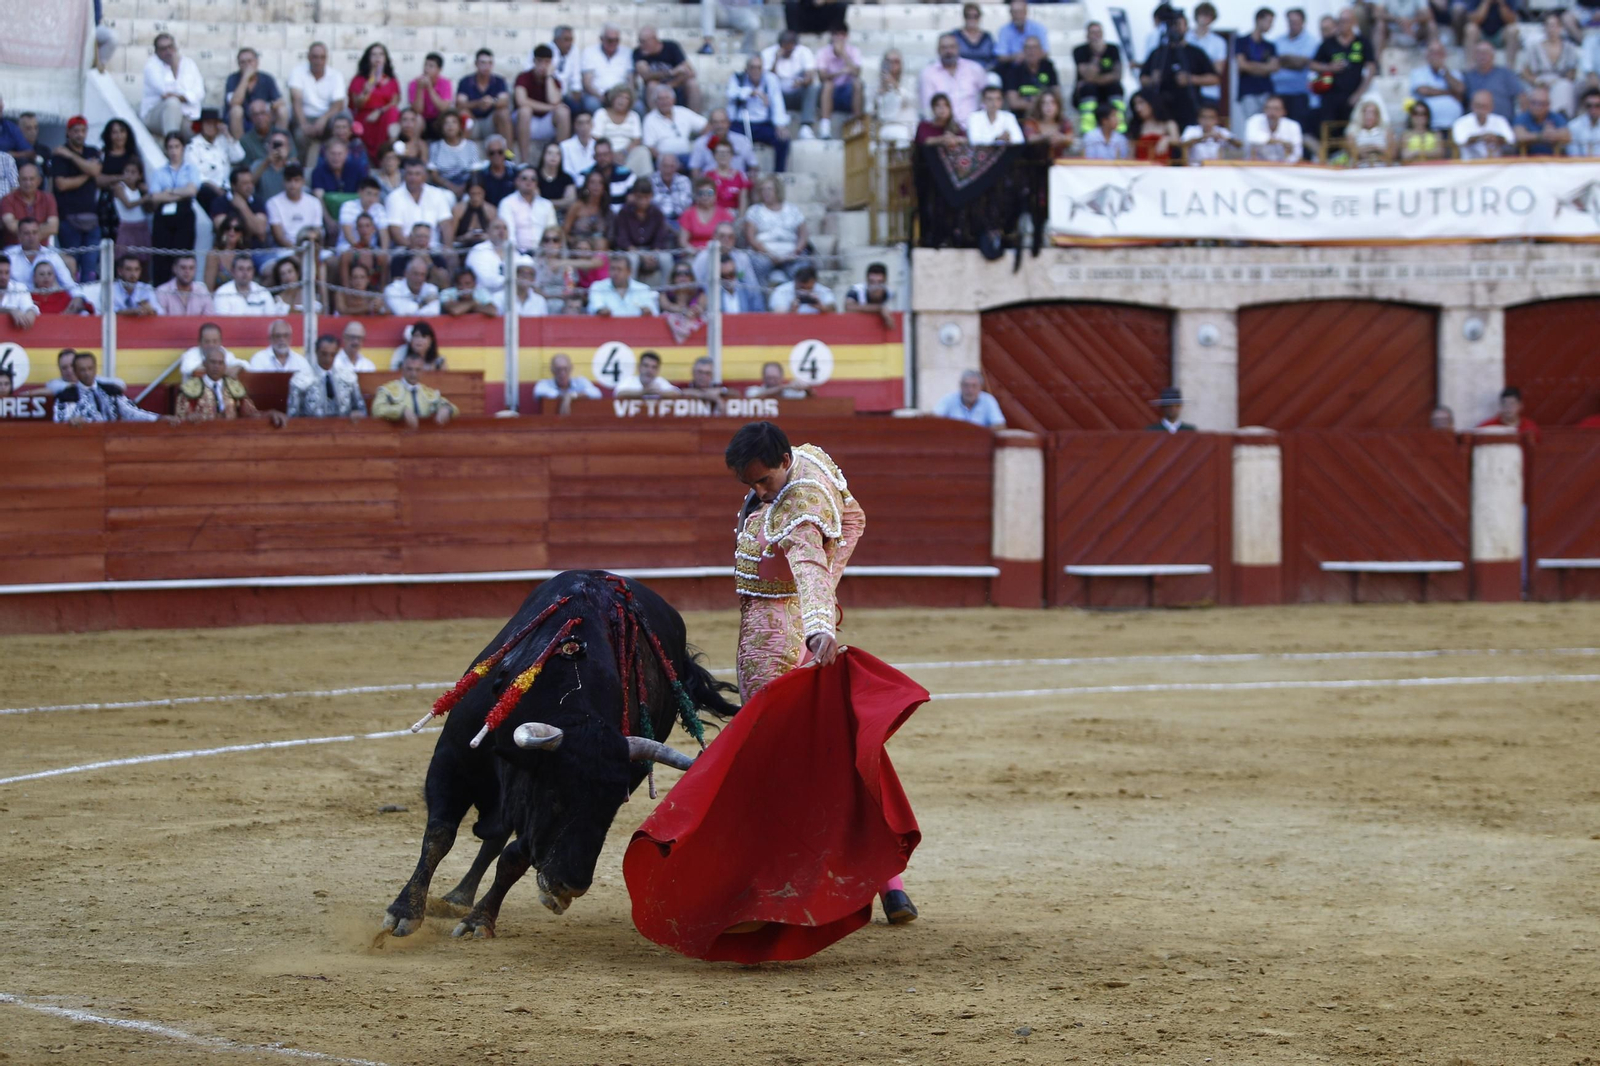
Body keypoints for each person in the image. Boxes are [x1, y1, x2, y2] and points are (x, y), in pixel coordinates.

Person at [722, 420, 918, 925]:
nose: (760, 492)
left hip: (773, 636)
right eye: (751, 484)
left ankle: (783, 890)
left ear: (784, 460)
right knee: (834, 752)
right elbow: (854, 518)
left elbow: (806, 564)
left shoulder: (797, 504)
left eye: (764, 481)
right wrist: (828, 599)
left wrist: (816, 621)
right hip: (804, 631)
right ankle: (889, 886)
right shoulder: (810, 460)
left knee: (773, 766)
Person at [1140, 12, 1218, 131]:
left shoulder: (1196, 52)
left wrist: (1191, 79)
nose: (1175, 28)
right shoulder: (1158, 53)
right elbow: (1143, 78)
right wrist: (1152, 80)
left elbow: (1214, 78)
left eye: (1179, 24)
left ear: (1186, 27)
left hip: (1189, 106)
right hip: (1163, 108)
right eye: (1173, 25)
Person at [47, 116, 103, 280]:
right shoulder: (59, 155)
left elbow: (96, 171)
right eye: (76, 131)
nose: (79, 134)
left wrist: (71, 157)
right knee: (71, 266)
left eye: (83, 131)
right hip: (68, 219)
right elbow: (62, 185)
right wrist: (88, 172)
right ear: (68, 132)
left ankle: (88, 303)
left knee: (90, 266)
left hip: (91, 218)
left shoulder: (91, 151)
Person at [54, 350, 170, 425]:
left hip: (111, 440)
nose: (87, 373)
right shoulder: (67, 396)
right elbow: (60, 422)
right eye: (82, 370)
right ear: (75, 371)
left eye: (90, 368)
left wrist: (157, 418)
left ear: (95, 368)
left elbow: (131, 412)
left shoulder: (110, 391)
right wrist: (70, 422)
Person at [176, 347, 283, 423]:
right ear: (204, 364)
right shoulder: (190, 388)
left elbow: (251, 414)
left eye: (220, 363)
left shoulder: (234, 387)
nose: (216, 366)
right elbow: (180, 418)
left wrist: (270, 413)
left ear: (225, 365)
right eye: (212, 362)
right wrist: (189, 418)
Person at [148, 132, 200, 287]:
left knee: (183, 255)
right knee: (162, 257)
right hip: (163, 216)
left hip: (184, 215)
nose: (173, 151)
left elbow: (192, 191)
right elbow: (155, 197)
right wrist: (180, 192)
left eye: (176, 146)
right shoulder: (159, 172)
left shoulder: (191, 169)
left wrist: (169, 192)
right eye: (170, 147)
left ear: (183, 148)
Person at [727, 54, 792, 172]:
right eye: (752, 67)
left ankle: (778, 173)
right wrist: (751, 92)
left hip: (763, 124)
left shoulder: (770, 79)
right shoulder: (737, 78)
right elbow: (731, 93)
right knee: (730, 141)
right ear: (746, 69)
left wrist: (780, 124)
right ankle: (737, 174)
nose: (755, 71)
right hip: (741, 123)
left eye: (758, 67)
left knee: (783, 140)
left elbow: (777, 102)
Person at [288, 42, 348, 162]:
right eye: (315, 57)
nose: (318, 61)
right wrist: (304, 124)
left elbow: (338, 104)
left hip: (327, 117)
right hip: (305, 116)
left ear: (326, 58)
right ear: (309, 57)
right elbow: (296, 100)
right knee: (300, 135)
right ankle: (300, 169)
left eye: (322, 57)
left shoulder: (336, 75)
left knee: (340, 127)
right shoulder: (297, 72)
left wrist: (323, 119)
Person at [744, 177, 808, 286]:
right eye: (763, 190)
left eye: (769, 189)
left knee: (802, 269)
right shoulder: (754, 211)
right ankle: (759, 300)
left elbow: (803, 234)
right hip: (763, 253)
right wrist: (769, 254)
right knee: (757, 267)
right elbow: (751, 238)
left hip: (790, 253)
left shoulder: (793, 210)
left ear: (777, 190)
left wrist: (796, 251)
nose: (766, 193)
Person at [141, 33, 206, 138]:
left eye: (170, 47)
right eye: (163, 49)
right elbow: (165, 91)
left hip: (187, 115)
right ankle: (172, 143)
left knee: (200, 131)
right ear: (156, 52)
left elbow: (200, 92)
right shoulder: (151, 66)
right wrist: (174, 67)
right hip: (155, 116)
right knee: (172, 103)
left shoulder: (188, 63)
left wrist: (181, 97)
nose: (168, 51)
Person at [288, 333, 366, 420]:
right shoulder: (300, 379)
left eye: (332, 354)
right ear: (316, 352)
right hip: (311, 430)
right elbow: (292, 417)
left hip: (343, 430)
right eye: (324, 354)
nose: (328, 359)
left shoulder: (348, 377)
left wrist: (357, 414)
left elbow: (361, 409)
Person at [514, 45, 571, 164]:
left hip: (546, 122)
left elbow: (554, 101)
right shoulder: (523, 77)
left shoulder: (555, 81)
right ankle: (524, 161)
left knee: (563, 112)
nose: (543, 65)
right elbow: (521, 101)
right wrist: (550, 108)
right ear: (534, 61)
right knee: (525, 111)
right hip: (527, 122)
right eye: (540, 61)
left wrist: (549, 77)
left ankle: (561, 161)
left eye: (547, 62)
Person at [612, 177, 675, 283]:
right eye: (639, 197)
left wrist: (653, 254)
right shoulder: (624, 212)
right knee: (633, 259)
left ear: (651, 196)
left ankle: (666, 293)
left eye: (646, 197)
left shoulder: (657, 213)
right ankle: (631, 292)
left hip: (651, 251)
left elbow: (660, 239)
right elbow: (622, 239)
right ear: (634, 196)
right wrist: (641, 255)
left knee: (666, 258)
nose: (643, 201)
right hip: (631, 251)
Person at [385, 156, 456, 249]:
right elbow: (395, 231)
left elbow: (446, 224)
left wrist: (448, 248)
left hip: (434, 248)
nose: (413, 178)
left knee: (451, 257)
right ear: (404, 175)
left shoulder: (437, 194)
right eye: (410, 174)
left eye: (417, 174)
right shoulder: (394, 197)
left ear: (424, 176)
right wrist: (416, 250)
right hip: (406, 250)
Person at [762, 30, 821, 139]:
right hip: (778, 96)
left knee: (813, 86)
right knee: (768, 84)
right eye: (785, 47)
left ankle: (806, 126)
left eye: (790, 48)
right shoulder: (768, 53)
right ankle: (772, 125)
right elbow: (766, 81)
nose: (787, 51)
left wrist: (802, 81)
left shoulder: (804, 52)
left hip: (797, 93)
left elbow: (810, 75)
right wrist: (776, 60)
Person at [375, 350, 458, 426]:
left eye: (417, 370)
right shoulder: (388, 390)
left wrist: (447, 409)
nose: (413, 374)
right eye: (409, 369)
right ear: (402, 369)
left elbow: (454, 407)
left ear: (422, 371)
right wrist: (401, 411)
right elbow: (377, 409)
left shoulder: (428, 393)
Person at [1522, 14, 1581, 119]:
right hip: (1539, 81)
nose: (1551, 29)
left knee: (1565, 86)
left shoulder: (1569, 48)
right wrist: (1537, 82)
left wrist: (1557, 82)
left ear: (1560, 28)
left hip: (1560, 81)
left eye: (1554, 26)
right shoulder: (1535, 47)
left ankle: (1556, 118)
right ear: (1544, 28)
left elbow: (1572, 72)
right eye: (1548, 26)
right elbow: (1525, 72)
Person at [1272, 7, 1320, 134]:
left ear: (1303, 22)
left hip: (1299, 94)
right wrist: (1293, 61)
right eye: (1290, 22)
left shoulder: (1311, 41)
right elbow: (1273, 63)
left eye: (1296, 22)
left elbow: (1303, 63)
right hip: (1279, 93)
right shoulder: (1278, 40)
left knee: (1300, 130)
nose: (1292, 25)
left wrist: (1284, 60)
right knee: (1279, 130)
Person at [919, 34, 987, 123]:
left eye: (952, 47)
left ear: (958, 48)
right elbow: (928, 107)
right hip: (943, 127)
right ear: (938, 50)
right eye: (944, 48)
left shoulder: (974, 69)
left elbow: (988, 97)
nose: (948, 51)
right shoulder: (928, 73)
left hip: (973, 126)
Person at [226, 46, 288, 136]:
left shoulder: (267, 78)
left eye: (250, 61)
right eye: (242, 62)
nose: (247, 65)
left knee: (283, 111)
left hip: (263, 117)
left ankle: (278, 143)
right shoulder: (232, 79)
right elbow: (234, 102)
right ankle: (240, 147)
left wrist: (266, 107)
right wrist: (245, 78)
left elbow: (280, 101)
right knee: (236, 110)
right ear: (238, 65)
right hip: (243, 120)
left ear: (256, 62)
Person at [634, 25, 698, 111]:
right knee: (652, 85)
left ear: (654, 39)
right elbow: (645, 75)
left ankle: (694, 117)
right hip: (655, 88)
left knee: (692, 84)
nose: (641, 45)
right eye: (640, 41)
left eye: (643, 41)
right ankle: (655, 119)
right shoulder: (638, 52)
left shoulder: (671, 47)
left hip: (676, 85)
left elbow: (690, 72)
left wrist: (670, 85)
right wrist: (671, 72)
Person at [456, 48, 512, 145]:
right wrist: (478, 103)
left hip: (491, 122)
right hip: (473, 122)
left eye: (489, 63)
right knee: (464, 114)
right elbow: (460, 104)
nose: (486, 66)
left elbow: (505, 101)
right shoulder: (465, 81)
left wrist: (492, 102)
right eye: (483, 63)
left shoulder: (499, 81)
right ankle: (461, 154)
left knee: (504, 113)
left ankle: (509, 156)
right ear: (476, 64)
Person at [815, 26, 862, 139]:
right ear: (832, 35)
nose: (839, 37)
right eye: (836, 33)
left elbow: (857, 73)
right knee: (828, 85)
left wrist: (843, 55)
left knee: (857, 84)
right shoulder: (823, 52)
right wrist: (840, 72)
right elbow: (822, 77)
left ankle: (856, 124)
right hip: (830, 93)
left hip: (847, 93)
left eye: (842, 34)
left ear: (846, 36)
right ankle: (825, 127)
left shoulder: (854, 51)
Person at [1072, 22, 1125, 124]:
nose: (1096, 36)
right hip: (1088, 91)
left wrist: (1095, 80)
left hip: (1108, 90)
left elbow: (1118, 75)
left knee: (1116, 87)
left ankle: (1118, 125)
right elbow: (1087, 75)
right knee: (1088, 88)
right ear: (1087, 35)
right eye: (1093, 33)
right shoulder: (1079, 51)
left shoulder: (1113, 49)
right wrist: (1097, 55)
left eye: (1098, 32)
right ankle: (1088, 127)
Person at [1234, 9, 1279, 126]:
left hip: (1266, 90)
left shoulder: (1270, 46)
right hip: (1248, 90)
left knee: (1267, 124)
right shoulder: (1241, 42)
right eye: (1269, 21)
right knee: (1251, 124)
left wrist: (1252, 65)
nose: (1271, 25)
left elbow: (1274, 67)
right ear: (1259, 19)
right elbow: (1242, 65)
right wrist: (1264, 67)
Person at [643, 85, 708, 164]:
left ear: (673, 100)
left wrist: (701, 141)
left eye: (667, 98)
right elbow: (650, 147)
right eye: (660, 99)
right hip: (664, 160)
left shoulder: (683, 112)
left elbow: (706, 126)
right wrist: (666, 161)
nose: (664, 102)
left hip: (687, 155)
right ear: (655, 102)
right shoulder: (650, 119)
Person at [266, 163, 322, 250]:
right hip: (285, 250)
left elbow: (317, 231)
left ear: (303, 181)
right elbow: (279, 237)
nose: (292, 185)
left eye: (296, 180)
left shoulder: (314, 202)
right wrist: (297, 250)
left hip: (310, 248)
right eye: (289, 180)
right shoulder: (273, 203)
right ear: (284, 181)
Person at [1462, 41, 1521, 123]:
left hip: (1503, 124)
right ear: (1474, 56)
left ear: (1493, 56)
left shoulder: (1505, 74)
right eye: (1479, 53)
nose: (1482, 56)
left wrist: (1520, 121)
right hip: (1475, 125)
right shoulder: (1468, 76)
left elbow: (1521, 96)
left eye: (1485, 53)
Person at [0, 162, 57, 246]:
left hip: (42, 248)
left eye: (31, 179)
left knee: (69, 259)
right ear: (18, 180)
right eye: (24, 179)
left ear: (39, 180)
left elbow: (53, 227)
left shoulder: (48, 198)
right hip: (15, 249)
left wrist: (27, 234)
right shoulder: (7, 199)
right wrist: (38, 231)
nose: (28, 183)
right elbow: (11, 225)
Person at [687, 108, 756, 176]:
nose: (719, 126)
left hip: (737, 184)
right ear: (710, 124)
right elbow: (695, 169)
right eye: (715, 122)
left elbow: (753, 166)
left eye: (722, 122)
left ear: (729, 123)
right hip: (711, 184)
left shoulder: (742, 141)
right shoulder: (701, 143)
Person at [1001, 37, 1060, 114]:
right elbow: (1013, 103)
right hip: (1022, 117)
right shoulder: (1014, 70)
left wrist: (1029, 102)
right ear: (1023, 51)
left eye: (1035, 47)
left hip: (1045, 116)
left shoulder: (1048, 67)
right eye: (1028, 47)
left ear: (1041, 51)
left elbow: (1057, 96)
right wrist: (1040, 104)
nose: (1031, 51)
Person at [214, 255, 288, 316]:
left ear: (253, 272)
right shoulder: (222, 293)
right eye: (241, 269)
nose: (245, 273)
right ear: (233, 271)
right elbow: (223, 323)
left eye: (249, 269)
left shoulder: (263, 293)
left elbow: (271, 319)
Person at [1186, 2, 1228, 108]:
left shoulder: (1218, 42)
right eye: (1202, 14)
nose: (1204, 18)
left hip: (1209, 92)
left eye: (1208, 15)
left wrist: (1195, 76)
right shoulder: (1186, 38)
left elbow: (1218, 70)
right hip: (1187, 91)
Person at [587, 254, 658, 317]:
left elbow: (653, 313)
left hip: (637, 330)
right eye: (613, 269)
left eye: (619, 269)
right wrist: (601, 311)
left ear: (629, 271)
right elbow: (596, 308)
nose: (615, 273)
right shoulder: (598, 287)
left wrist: (647, 312)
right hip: (606, 329)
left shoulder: (643, 289)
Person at [580, 25, 634, 108]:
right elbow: (587, 83)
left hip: (621, 95)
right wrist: (600, 97)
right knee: (592, 105)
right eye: (610, 40)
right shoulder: (589, 52)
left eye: (616, 40)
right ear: (601, 39)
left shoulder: (627, 52)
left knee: (638, 107)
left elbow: (630, 81)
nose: (613, 43)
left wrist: (626, 97)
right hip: (597, 95)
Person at [534, 352, 602, 413]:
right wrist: (565, 397)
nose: (562, 373)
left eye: (565, 369)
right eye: (558, 369)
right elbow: (538, 391)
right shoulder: (545, 384)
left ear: (571, 368)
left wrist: (572, 396)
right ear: (552, 370)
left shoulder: (580, 381)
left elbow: (596, 393)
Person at [1454, 90, 1514, 159]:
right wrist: (1481, 138)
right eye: (1478, 106)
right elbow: (1461, 142)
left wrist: (1496, 138)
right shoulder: (1461, 122)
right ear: (1472, 105)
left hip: (1497, 163)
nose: (1481, 110)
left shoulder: (1500, 121)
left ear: (1492, 106)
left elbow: (1510, 141)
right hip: (1470, 165)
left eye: (1485, 106)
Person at [935, 370, 1006, 427]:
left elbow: (999, 424)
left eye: (974, 386)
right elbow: (935, 419)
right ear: (960, 386)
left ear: (981, 387)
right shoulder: (949, 399)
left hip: (980, 441)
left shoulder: (988, 400)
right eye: (966, 385)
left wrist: (981, 434)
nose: (970, 390)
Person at [1245, 95, 1304, 162]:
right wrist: (1281, 142)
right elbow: (1252, 139)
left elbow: (1297, 153)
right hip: (1258, 166)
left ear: (1284, 111)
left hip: (1284, 167)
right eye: (1268, 108)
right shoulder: (1254, 120)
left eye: (1276, 109)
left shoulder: (1293, 126)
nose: (1272, 112)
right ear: (1264, 110)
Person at [178, 321, 249, 377]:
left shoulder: (225, 353)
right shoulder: (191, 354)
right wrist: (223, 371)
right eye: (207, 341)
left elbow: (246, 365)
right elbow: (187, 369)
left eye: (215, 341)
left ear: (220, 342)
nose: (211, 345)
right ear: (199, 342)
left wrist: (239, 367)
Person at [1514, 86, 1570, 157]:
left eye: (1541, 104)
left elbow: (1567, 136)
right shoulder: (1522, 117)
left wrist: (1554, 135)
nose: (1537, 107)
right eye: (1534, 103)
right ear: (1529, 103)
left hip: (1553, 161)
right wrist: (1540, 136)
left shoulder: (1555, 117)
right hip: (1527, 162)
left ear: (1548, 105)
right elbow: (1518, 136)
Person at [1129, 92, 1179, 163]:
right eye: (1135, 105)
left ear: (1152, 102)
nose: (1138, 108)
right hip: (1141, 168)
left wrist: (1167, 139)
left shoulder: (1168, 124)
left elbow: (1177, 141)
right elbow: (1131, 154)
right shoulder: (1136, 127)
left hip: (1165, 169)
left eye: (1141, 103)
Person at [1024, 92, 1076, 159]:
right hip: (1035, 163)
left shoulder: (1064, 122)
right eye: (1044, 103)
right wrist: (1046, 137)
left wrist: (1061, 138)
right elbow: (1030, 138)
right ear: (1039, 106)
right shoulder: (1031, 122)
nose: (1049, 106)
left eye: (1053, 103)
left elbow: (1071, 138)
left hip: (1059, 164)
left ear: (1058, 106)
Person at [996, 0, 1048, 66]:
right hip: (1012, 68)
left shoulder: (1038, 28)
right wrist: (1015, 57)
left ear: (1026, 12)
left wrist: (1027, 57)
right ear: (1010, 13)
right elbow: (1000, 56)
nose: (1018, 15)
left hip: (1035, 67)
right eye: (1015, 12)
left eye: (1020, 12)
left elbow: (1045, 53)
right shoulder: (1004, 30)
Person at [844, 261, 895, 329]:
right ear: (867, 280)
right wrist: (879, 308)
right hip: (857, 327)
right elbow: (849, 307)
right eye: (872, 282)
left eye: (879, 282)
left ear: (885, 281)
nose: (875, 286)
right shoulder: (857, 291)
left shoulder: (889, 294)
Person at [768, 264, 836, 314]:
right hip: (790, 326)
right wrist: (791, 310)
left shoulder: (823, 290)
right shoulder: (781, 290)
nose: (805, 291)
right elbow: (778, 315)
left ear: (814, 282)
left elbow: (833, 310)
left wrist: (822, 308)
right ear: (795, 281)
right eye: (801, 288)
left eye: (808, 288)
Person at [1346, 100, 1395, 166]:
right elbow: (1351, 153)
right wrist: (1367, 150)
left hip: (1382, 167)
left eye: (1372, 112)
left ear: (1378, 115)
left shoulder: (1386, 131)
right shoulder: (1353, 132)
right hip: (1360, 167)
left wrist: (1377, 149)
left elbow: (1393, 154)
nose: (1369, 116)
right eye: (1366, 112)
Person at [615, 349, 680, 396]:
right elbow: (619, 393)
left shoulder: (660, 381)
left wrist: (660, 393)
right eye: (646, 366)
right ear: (639, 367)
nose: (649, 370)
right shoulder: (630, 380)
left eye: (653, 367)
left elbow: (677, 393)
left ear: (658, 370)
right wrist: (643, 392)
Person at [953, 3, 998, 70]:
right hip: (961, 72)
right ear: (964, 17)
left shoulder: (987, 37)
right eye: (968, 16)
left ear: (980, 17)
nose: (972, 19)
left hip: (984, 71)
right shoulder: (955, 36)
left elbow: (994, 58)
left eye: (975, 16)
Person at [560, 111, 599, 185]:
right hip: (573, 186)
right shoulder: (564, 146)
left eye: (587, 122)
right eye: (580, 123)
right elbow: (567, 171)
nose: (584, 126)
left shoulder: (597, 146)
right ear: (575, 125)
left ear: (592, 125)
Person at [651, 152, 692, 222]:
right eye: (665, 166)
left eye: (672, 166)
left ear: (677, 167)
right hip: (657, 221)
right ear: (659, 167)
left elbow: (687, 205)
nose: (668, 170)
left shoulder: (684, 181)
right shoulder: (651, 181)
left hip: (680, 220)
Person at [0, 258, 37, 330]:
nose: (3, 277)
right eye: (0, 273)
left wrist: (31, 311)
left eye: (6, 272)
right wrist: (10, 310)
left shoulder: (19, 288)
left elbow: (28, 306)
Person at [746, 360, 811, 399]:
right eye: (769, 378)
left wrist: (805, 388)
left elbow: (813, 401)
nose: (772, 381)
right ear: (763, 377)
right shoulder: (754, 390)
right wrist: (785, 387)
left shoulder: (791, 394)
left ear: (781, 377)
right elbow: (755, 398)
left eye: (775, 378)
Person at [1568, 89, 1600, 157]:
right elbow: (1573, 154)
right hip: (1581, 165)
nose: (1593, 109)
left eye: (1597, 105)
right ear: (1584, 105)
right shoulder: (1573, 126)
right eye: (1589, 105)